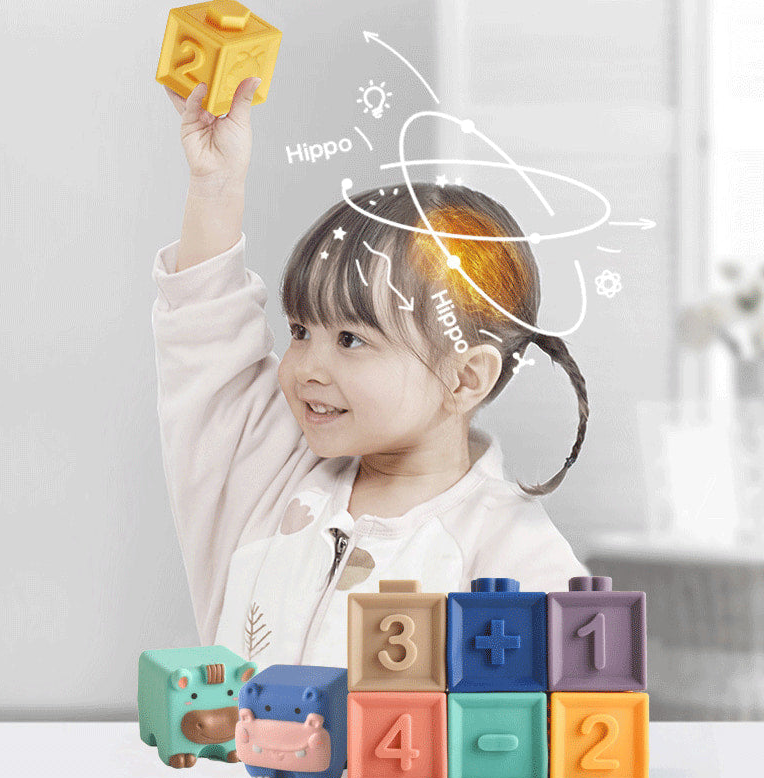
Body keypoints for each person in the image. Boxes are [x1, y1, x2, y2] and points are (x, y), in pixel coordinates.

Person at [152, 78, 588, 668]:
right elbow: (206, 336)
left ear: (464, 379)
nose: (307, 366)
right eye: (302, 330)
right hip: (237, 766)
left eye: (351, 339)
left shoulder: (513, 553)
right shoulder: (267, 473)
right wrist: (215, 184)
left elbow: (559, 715)